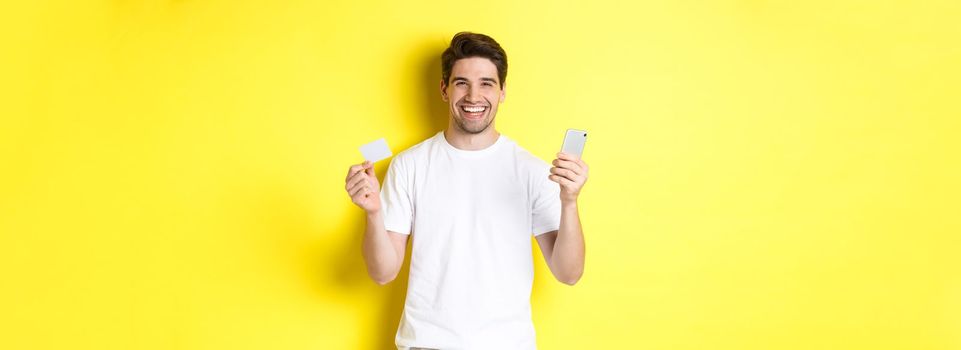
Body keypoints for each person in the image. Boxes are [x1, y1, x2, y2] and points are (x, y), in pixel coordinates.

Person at [343, 32, 588, 350]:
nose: (474, 96)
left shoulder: (533, 171)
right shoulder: (409, 165)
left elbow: (569, 273)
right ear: (444, 89)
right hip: (426, 344)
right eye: (462, 83)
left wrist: (569, 202)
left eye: (487, 83)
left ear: (502, 92)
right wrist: (373, 213)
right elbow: (382, 273)